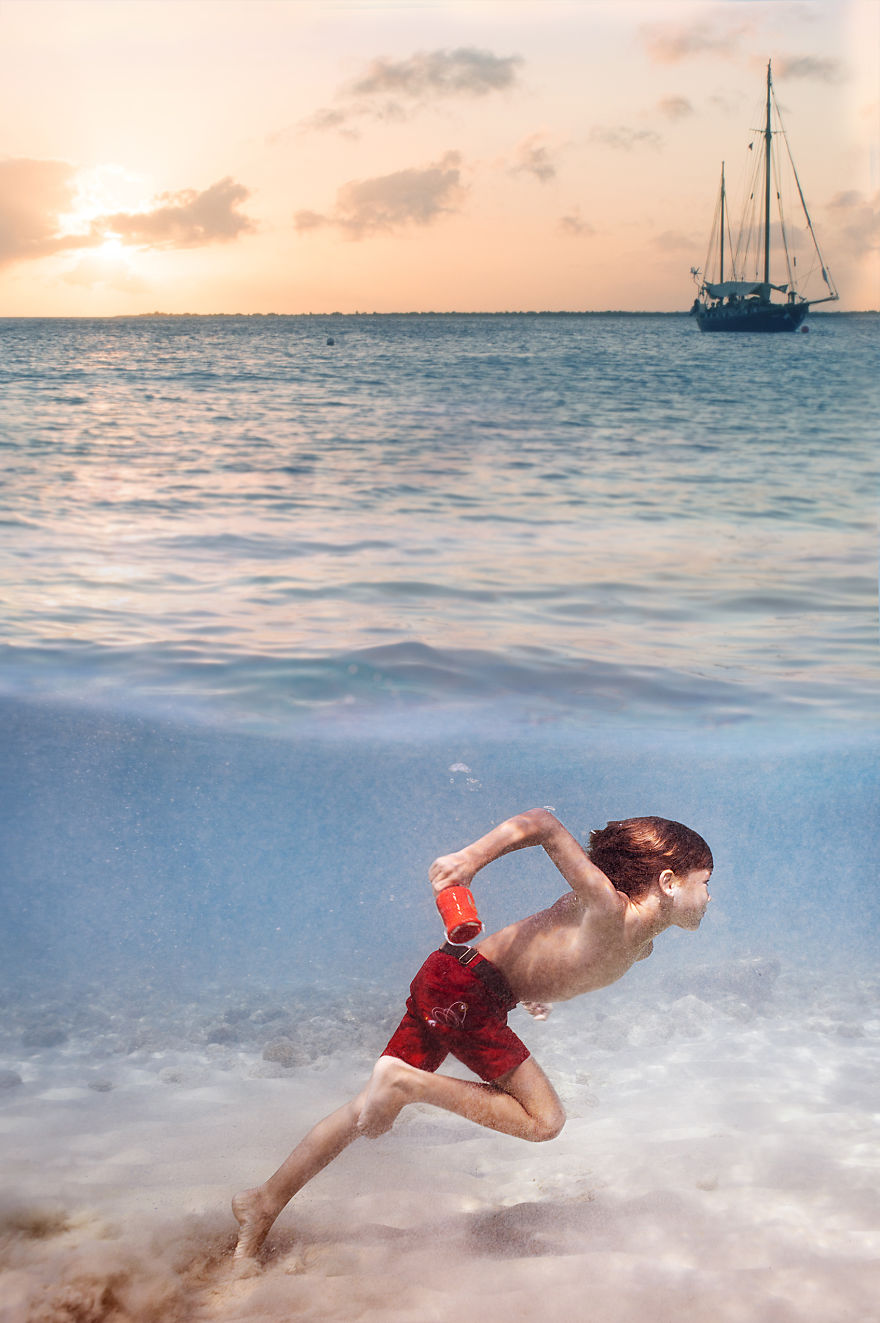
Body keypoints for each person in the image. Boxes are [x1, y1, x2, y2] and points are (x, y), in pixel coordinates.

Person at [232, 807, 713, 1261]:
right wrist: (468, 861)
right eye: (705, 883)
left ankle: (263, 1202)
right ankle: (407, 1084)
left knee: (367, 1112)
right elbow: (543, 824)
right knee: (544, 1121)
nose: (710, 897)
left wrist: (530, 988)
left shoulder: (639, 941)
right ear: (668, 882)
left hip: (458, 981)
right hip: (466, 992)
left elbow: (551, 945)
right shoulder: (610, 910)